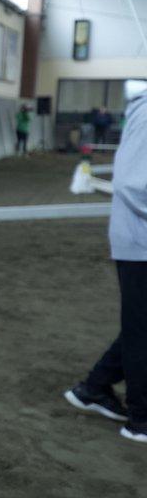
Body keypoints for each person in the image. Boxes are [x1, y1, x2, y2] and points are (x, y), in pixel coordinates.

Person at [64, 92, 147, 443]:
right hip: (140, 241)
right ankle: (141, 418)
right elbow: (134, 183)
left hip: (139, 238)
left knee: (141, 324)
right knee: (142, 328)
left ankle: (94, 387)